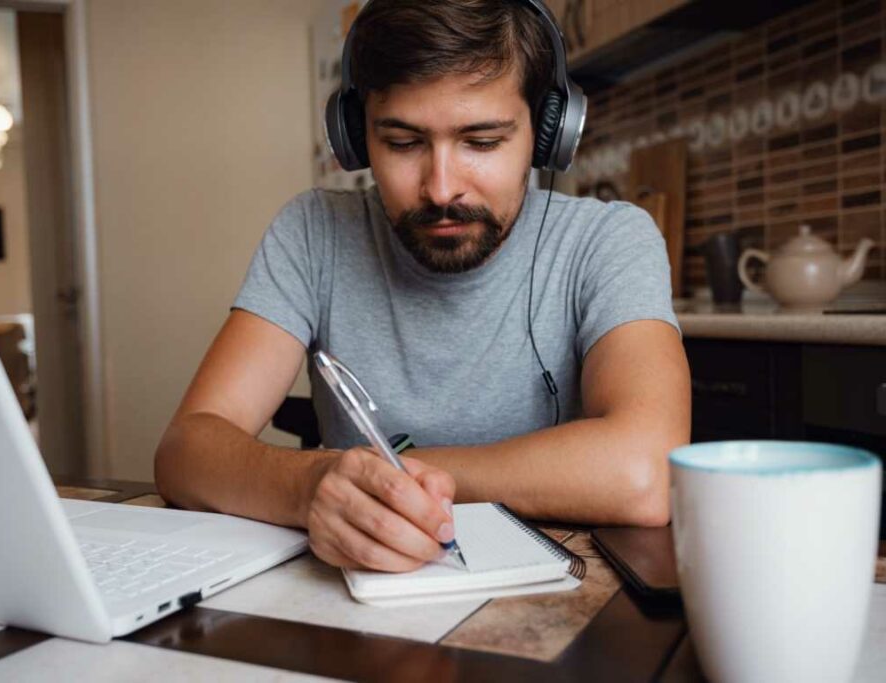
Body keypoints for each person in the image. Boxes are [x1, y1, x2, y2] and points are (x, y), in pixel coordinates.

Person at [155, 0, 690, 573]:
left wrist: (384, 477)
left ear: (546, 132)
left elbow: (644, 472)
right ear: (357, 139)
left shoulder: (609, 239)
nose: (440, 188)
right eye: (404, 143)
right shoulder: (313, 232)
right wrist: (312, 483)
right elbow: (186, 452)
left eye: (481, 142)